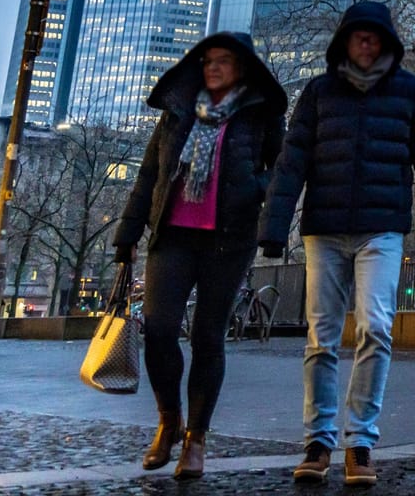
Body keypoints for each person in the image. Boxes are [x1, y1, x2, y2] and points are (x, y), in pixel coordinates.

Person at [260, 1, 415, 488]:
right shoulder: (319, 92)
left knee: (376, 328)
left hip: (381, 229)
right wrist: (272, 229)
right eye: (358, 36)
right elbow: (291, 164)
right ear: (344, 41)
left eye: (374, 36)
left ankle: (361, 442)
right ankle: (318, 441)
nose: (366, 43)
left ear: (387, 42)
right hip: (323, 229)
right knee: (320, 338)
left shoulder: (414, 93)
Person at [113, 33, 287, 481]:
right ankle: (169, 419)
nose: (213, 68)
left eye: (224, 61)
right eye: (208, 60)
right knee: (160, 330)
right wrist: (127, 233)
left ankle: (197, 439)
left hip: (228, 240)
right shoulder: (179, 111)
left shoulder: (260, 113)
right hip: (171, 236)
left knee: (209, 337)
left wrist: (256, 188)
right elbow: (150, 173)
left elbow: (282, 170)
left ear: (242, 68)